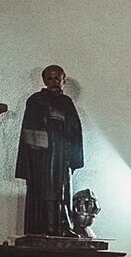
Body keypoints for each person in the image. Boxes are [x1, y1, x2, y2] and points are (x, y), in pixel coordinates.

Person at [16, 64, 84, 237]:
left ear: (63, 81)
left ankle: (63, 226)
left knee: (63, 190)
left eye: (57, 79)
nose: (54, 82)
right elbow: (29, 128)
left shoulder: (67, 103)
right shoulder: (36, 101)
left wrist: (62, 118)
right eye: (50, 79)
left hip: (62, 155)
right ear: (44, 81)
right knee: (45, 190)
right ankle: (45, 227)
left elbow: (76, 127)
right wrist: (46, 119)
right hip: (42, 157)